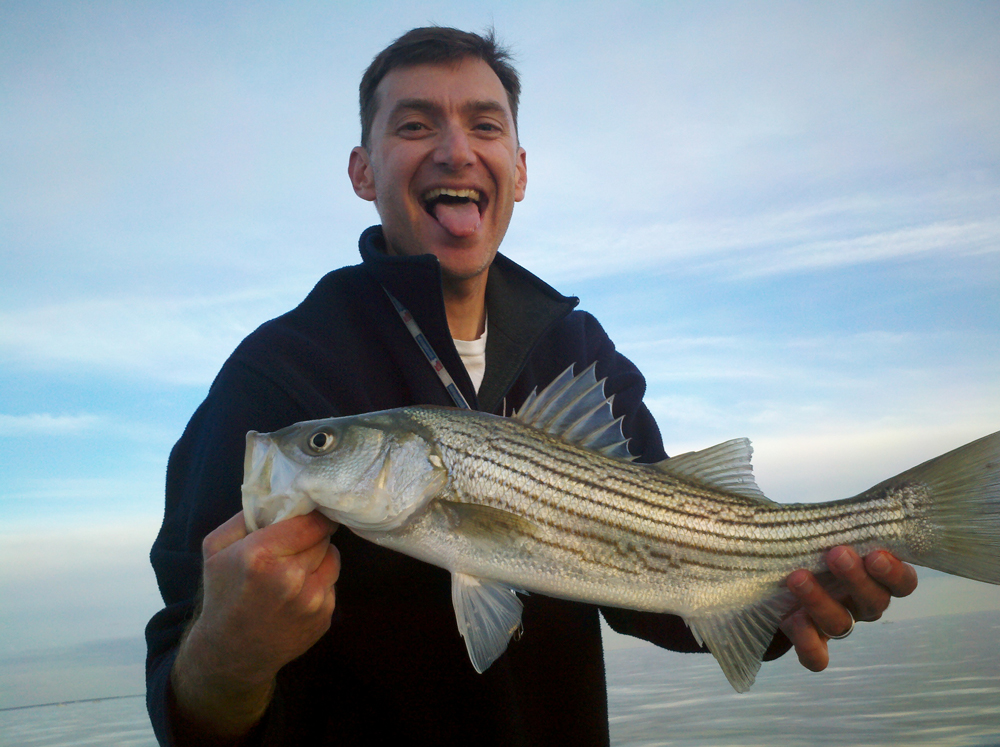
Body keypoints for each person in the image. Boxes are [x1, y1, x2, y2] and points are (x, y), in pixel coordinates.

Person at [145, 27, 918, 747]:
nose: (456, 149)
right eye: (415, 125)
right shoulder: (275, 372)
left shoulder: (575, 347)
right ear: (362, 169)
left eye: (485, 125)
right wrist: (227, 658)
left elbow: (648, 587)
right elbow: (185, 702)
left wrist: (782, 600)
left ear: (519, 168)